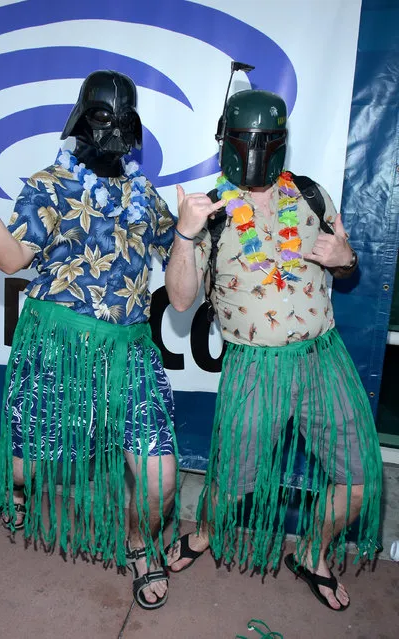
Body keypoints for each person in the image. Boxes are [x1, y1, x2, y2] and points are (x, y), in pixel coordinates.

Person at [0, 70, 180, 611]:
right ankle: (18, 486)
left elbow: (179, 249)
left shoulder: (145, 194)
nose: (110, 128)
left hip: (128, 352)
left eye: (121, 117)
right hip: (57, 349)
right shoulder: (49, 185)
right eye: (99, 115)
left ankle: (139, 545)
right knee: (28, 465)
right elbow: (11, 258)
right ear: (80, 118)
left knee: (160, 477)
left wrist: (202, 229)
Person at [164, 88, 382, 611]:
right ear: (226, 140)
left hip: (322, 360)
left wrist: (346, 258)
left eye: (266, 140)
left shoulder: (311, 195)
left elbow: (346, 266)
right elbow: (179, 300)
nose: (255, 150)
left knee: (358, 480)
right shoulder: (208, 210)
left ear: (282, 143)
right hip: (254, 368)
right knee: (232, 481)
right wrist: (184, 236)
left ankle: (312, 553)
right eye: (244, 140)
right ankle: (206, 533)